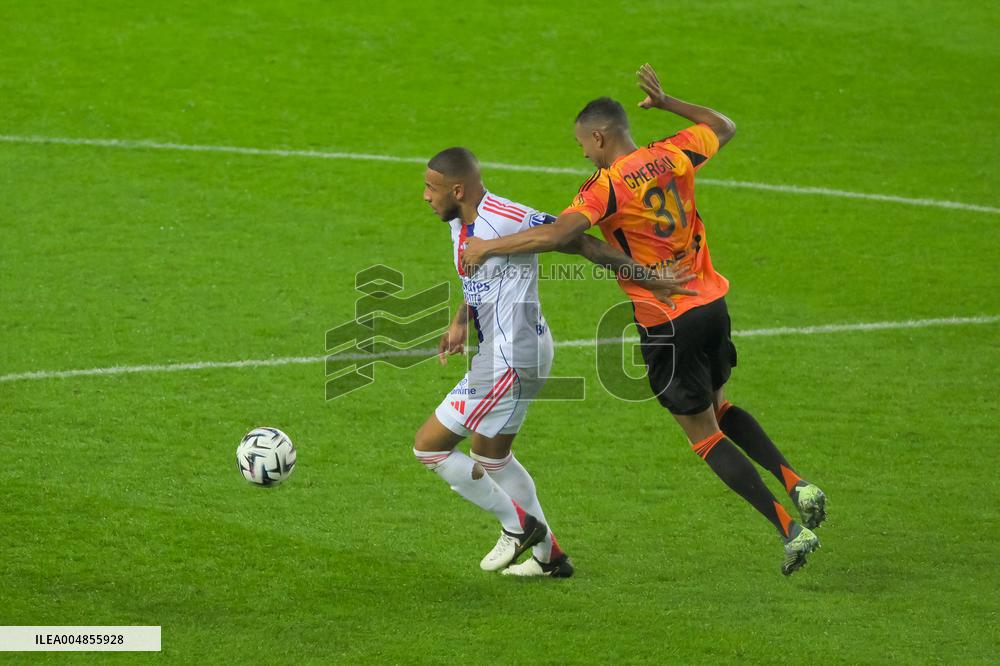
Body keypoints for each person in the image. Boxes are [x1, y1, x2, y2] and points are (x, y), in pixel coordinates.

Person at [461, 64, 827, 575]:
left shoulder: (605, 187)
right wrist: (670, 101)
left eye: (583, 145)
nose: (582, 153)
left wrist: (488, 247)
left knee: (703, 435)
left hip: (667, 320)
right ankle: (796, 481)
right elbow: (724, 126)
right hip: (711, 302)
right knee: (721, 407)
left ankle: (790, 527)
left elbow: (563, 235)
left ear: (599, 136)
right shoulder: (670, 152)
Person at [416, 146, 693, 577]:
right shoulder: (459, 223)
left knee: (429, 448)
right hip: (519, 350)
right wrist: (461, 321)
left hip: (509, 358)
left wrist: (648, 277)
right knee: (491, 457)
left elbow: (579, 241)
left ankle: (518, 526)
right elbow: (478, 280)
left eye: (431, 188)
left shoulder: (504, 218)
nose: (425, 196)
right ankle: (550, 557)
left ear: (457, 189)